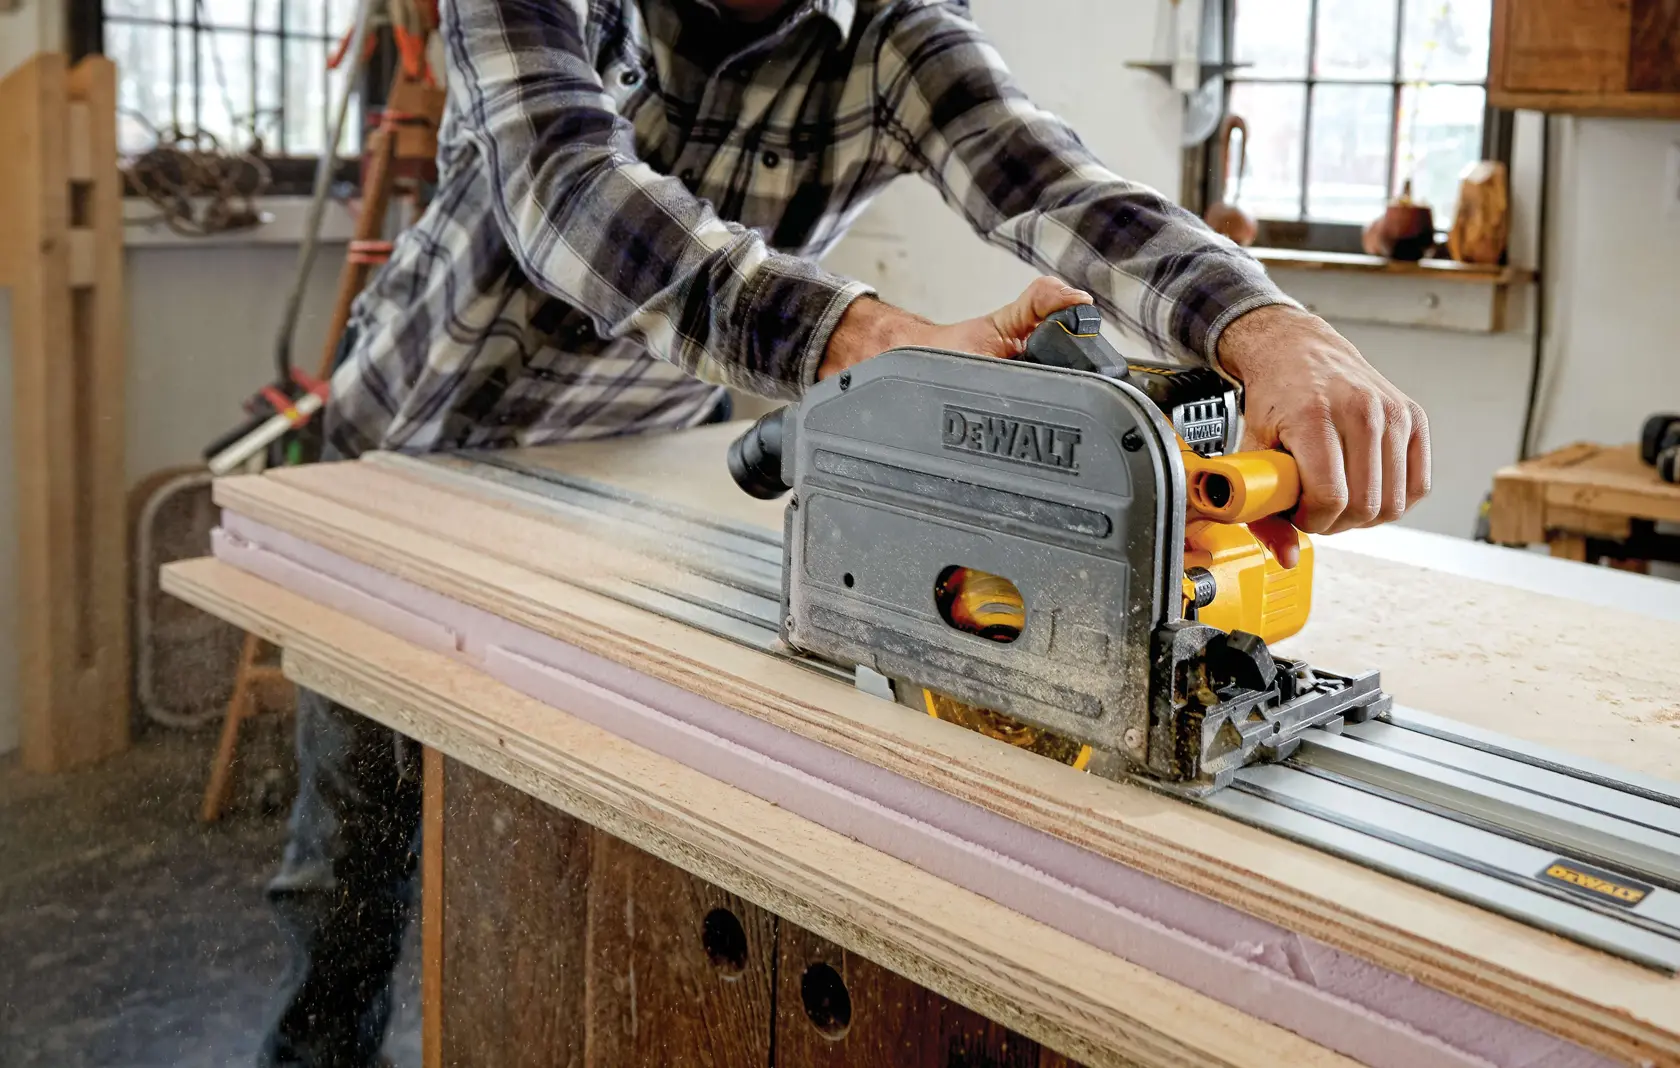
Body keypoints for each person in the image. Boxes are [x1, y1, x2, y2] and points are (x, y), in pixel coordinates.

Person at [258, 0, 1432, 1064]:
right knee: (347, 871)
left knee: (567, 846)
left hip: (633, 458)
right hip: (407, 459)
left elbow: (1055, 184)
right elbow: (565, 192)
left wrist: (1262, 324)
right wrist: (871, 347)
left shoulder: (889, 34)